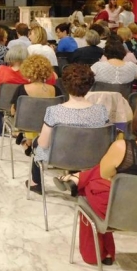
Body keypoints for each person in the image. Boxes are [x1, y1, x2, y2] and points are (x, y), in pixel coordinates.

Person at [54, 91, 137, 266]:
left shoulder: (122, 148)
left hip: (123, 212)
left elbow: (104, 176)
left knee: (92, 186)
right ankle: (78, 178)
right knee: (101, 180)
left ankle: (77, 179)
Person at [26, 63, 109, 194]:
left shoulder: (54, 111)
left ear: (65, 84)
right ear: (90, 85)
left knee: (37, 142)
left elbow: (44, 143)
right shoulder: (101, 110)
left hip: (60, 157)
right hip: (92, 157)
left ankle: (35, 182)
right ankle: (76, 178)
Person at [11, 55, 62, 155]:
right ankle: (30, 141)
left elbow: (13, 111)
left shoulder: (22, 88)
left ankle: (27, 140)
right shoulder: (56, 90)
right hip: (48, 126)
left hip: (26, 124)